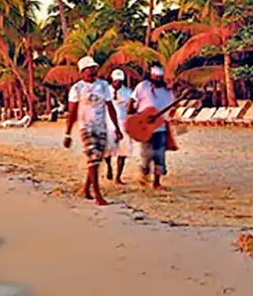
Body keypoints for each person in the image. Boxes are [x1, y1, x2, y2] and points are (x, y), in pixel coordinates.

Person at [63, 56, 124, 205]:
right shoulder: (77, 88)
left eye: (94, 68)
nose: (92, 70)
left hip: (101, 127)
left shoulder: (103, 86)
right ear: (82, 71)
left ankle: (85, 188)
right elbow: (72, 113)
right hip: (86, 127)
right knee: (93, 157)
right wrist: (67, 133)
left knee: (96, 160)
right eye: (89, 68)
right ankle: (97, 194)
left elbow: (110, 108)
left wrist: (116, 128)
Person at [129, 64, 175, 189]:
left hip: (161, 128)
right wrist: (134, 118)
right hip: (145, 127)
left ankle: (156, 182)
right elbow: (133, 101)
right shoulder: (142, 86)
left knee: (160, 155)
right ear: (151, 76)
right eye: (156, 77)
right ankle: (144, 172)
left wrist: (169, 116)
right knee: (146, 155)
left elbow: (171, 109)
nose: (158, 80)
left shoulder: (167, 91)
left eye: (160, 78)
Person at [104, 69, 134, 184]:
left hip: (124, 124)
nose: (118, 83)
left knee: (123, 151)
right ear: (112, 79)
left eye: (120, 81)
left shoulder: (128, 92)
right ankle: (109, 167)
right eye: (116, 80)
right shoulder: (105, 91)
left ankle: (118, 177)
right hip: (108, 123)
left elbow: (132, 108)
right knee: (107, 150)